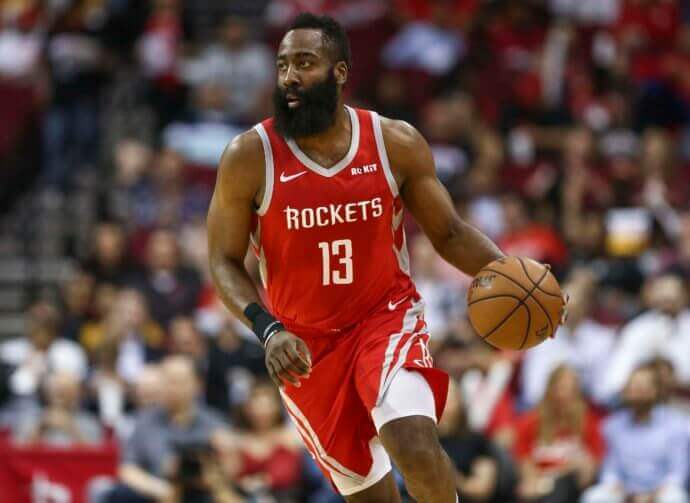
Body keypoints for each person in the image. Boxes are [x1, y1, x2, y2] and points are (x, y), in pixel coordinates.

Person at [207, 13, 564, 502]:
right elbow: (223, 260)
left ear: (339, 72)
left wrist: (513, 275)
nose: (290, 76)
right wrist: (267, 330)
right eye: (283, 64)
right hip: (304, 349)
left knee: (413, 443)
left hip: (384, 318)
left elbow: (450, 232)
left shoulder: (392, 141)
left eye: (305, 63)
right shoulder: (249, 156)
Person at [110, 356, 228, 503]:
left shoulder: (215, 425)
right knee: (119, 494)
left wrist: (220, 464)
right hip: (156, 493)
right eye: (166, 381)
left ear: (198, 384)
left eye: (178, 381)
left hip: (204, 493)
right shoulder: (144, 422)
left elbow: (231, 474)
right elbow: (127, 469)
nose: (172, 388)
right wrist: (160, 488)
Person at [581, 364, 689, 503]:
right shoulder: (613, 425)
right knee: (594, 497)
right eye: (632, 387)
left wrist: (654, 494)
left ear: (655, 391)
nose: (636, 392)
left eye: (642, 387)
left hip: (661, 490)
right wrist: (617, 486)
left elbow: (678, 473)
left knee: (674, 498)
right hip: (624, 490)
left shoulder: (675, 424)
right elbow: (610, 469)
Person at [513, 366, 604, 503]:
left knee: (562, 486)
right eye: (560, 389)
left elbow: (590, 468)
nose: (564, 395)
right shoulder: (532, 421)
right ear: (550, 391)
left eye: (570, 390)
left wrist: (561, 472)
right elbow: (523, 458)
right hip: (537, 484)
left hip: (569, 485)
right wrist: (532, 481)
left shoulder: (589, 422)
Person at [12, 370, 103, 446]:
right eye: (56, 390)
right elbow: (14, 455)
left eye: (66, 390)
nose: (59, 395)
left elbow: (96, 456)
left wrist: (71, 428)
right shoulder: (30, 420)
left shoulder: (90, 423)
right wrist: (40, 427)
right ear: (47, 393)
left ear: (77, 394)